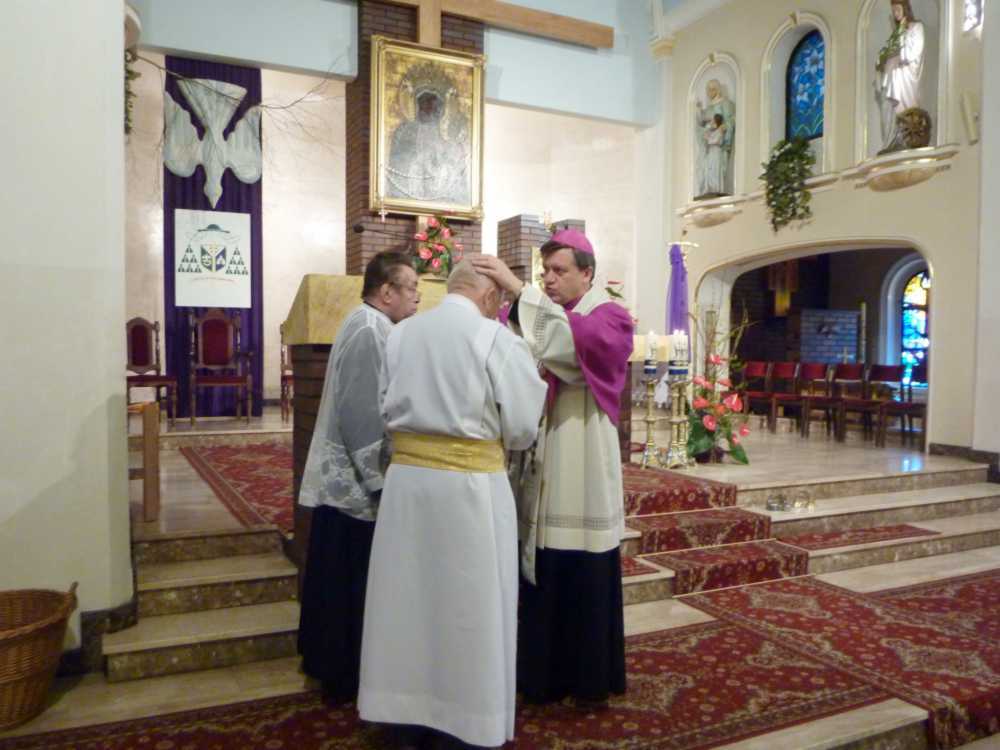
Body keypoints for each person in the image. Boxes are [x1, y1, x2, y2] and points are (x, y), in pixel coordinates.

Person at [358, 261, 547, 749]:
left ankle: (403, 714)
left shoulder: (400, 334)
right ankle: (467, 719)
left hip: (407, 486)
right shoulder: (497, 340)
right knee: (468, 605)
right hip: (471, 490)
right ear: (490, 298)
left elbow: (383, 406)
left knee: (407, 599)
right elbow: (522, 427)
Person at [471, 229, 634, 708]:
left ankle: (587, 679)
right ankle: (541, 674)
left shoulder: (609, 316)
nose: (549, 279)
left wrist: (519, 290)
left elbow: (574, 343)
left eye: (560, 271)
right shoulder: (542, 313)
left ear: (587, 273)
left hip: (582, 449)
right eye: (545, 272)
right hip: (544, 444)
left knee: (580, 556)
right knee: (541, 555)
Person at [296, 250, 420, 704]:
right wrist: (379, 480)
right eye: (411, 288)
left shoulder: (372, 324)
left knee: (343, 579)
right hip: (354, 485)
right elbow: (361, 414)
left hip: (351, 481)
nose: (417, 298)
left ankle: (338, 665)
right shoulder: (370, 331)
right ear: (386, 291)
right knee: (347, 582)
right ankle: (340, 672)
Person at [875, 0, 925, 152]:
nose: (896, 14)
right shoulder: (895, 34)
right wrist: (882, 60)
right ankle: (889, 142)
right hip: (891, 77)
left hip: (905, 77)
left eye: (897, 9)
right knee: (887, 106)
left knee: (901, 106)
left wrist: (903, 34)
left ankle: (904, 140)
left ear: (905, 9)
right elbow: (888, 53)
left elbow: (912, 53)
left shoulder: (916, 27)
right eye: (893, 11)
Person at [694, 79, 735, 198]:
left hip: (718, 148)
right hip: (709, 148)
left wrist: (724, 127)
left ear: (718, 90)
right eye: (708, 90)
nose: (710, 92)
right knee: (707, 168)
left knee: (716, 168)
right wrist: (699, 109)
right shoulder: (709, 108)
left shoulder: (726, 104)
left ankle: (716, 189)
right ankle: (708, 188)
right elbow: (701, 120)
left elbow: (731, 120)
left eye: (713, 89)